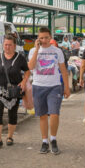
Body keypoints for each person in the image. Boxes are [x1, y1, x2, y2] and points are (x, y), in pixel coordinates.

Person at [0, 34, 30, 149]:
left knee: (12, 114)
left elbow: (27, 71)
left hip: (13, 91)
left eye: (10, 45)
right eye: (5, 45)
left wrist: (24, 81)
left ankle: (10, 136)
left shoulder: (20, 58)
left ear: (14, 46)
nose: (7, 47)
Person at [28, 27, 71, 155]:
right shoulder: (32, 51)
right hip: (38, 86)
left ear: (50, 37)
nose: (44, 40)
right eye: (41, 38)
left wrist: (66, 87)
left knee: (54, 113)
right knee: (42, 115)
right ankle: (44, 141)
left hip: (54, 86)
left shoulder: (57, 51)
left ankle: (53, 139)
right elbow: (30, 67)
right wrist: (36, 49)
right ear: (38, 39)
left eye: (46, 37)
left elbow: (63, 70)